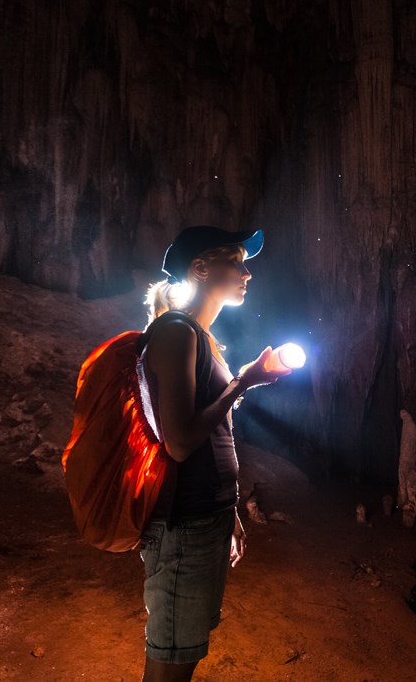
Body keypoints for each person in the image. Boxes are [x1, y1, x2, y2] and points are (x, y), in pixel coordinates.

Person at [138, 225, 289, 682]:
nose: (247, 273)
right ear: (200, 269)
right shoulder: (176, 333)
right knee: (168, 666)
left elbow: (213, 434)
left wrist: (231, 514)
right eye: (236, 262)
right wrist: (243, 383)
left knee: (184, 655)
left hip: (207, 517)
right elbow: (181, 443)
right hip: (182, 521)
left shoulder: (201, 338)